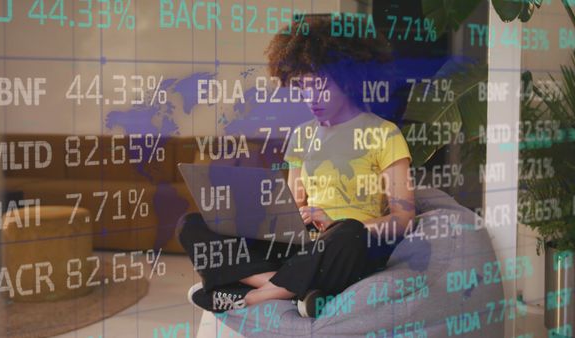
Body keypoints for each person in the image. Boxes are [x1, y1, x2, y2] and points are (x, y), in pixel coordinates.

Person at [178, 16, 416, 318]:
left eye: (320, 86)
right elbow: (293, 204)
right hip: (301, 250)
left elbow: (404, 219)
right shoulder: (302, 135)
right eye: (303, 86)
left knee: (349, 231)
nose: (310, 97)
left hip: (346, 249)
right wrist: (264, 214)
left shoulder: (385, 134)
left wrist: (333, 222)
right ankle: (284, 289)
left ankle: (249, 295)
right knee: (192, 225)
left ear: (348, 79)